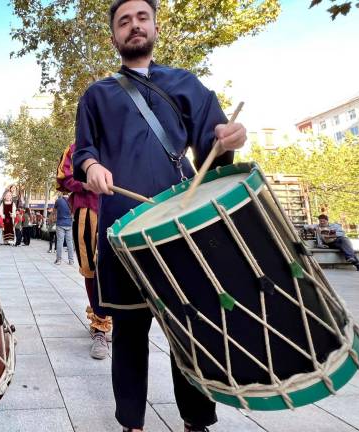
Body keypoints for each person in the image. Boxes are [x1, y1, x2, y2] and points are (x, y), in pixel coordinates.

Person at [72, 1, 247, 431]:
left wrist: (230, 139)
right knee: (129, 332)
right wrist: (92, 167)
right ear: (114, 36)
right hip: (123, 226)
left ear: (154, 26)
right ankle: (131, 422)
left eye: (141, 18)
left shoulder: (186, 84)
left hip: (180, 223)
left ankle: (196, 421)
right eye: (123, 21)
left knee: (190, 330)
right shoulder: (97, 94)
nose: (134, 26)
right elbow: (84, 150)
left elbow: (213, 147)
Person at [58, 142, 112, 359]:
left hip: (120, 210)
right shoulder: (73, 148)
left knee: (116, 268)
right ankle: (100, 327)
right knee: (91, 269)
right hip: (87, 213)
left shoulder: (121, 140)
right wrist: (85, 184)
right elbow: (64, 177)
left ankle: (117, 320)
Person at [54, 193, 75, 265]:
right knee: (70, 242)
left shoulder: (58, 201)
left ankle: (59, 260)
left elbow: (54, 211)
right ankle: (71, 260)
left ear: (62, 192)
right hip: (69, 224)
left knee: (60, 242)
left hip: (60, 223)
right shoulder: (72, 201)